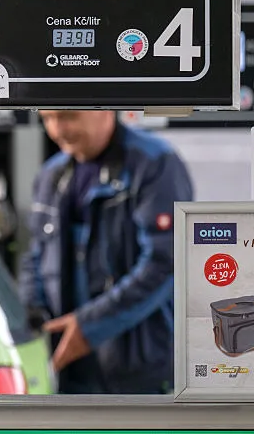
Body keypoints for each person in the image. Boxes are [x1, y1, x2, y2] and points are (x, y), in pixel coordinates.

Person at [20, 110, 193, 394]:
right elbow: (36, 254)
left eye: (67, 116)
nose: (57, 130)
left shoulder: (155, 164)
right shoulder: (50, 175)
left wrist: (88, 327)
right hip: (68, 368)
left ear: (103, 107)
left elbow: (167, 263)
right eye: (47, 118)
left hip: (141, 370)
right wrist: (34, 318)